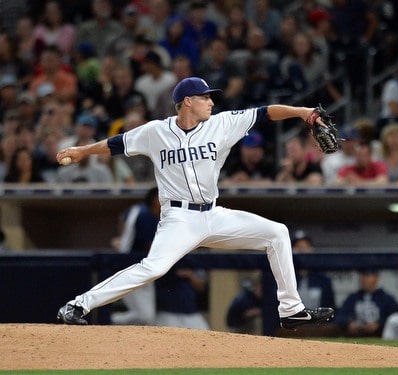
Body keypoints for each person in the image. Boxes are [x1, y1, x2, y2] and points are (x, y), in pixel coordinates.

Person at [55, 76, 335, 329]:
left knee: (277, 233)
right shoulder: (156, 131)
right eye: (205, 97)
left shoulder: (222, 124)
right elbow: (117, 143)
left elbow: (266, 112)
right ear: (188, 101)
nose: (211, 102)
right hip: (179, 219)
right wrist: (83, 151)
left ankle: (291, 310)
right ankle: (79, 304)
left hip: (213, 214)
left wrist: (303, 112)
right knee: (154, 268)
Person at [110, 187, 160, 326]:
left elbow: (122, 217)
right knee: (147, 318)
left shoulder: (137, 209)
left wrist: (122, 239)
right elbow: (150, 246)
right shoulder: (147, 215)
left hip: (136, 267)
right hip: (132, 268)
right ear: (155, 200)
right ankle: (109, 321)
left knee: (148, 317)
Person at [334, 269, 398, 337]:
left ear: (376, 278)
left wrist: (379, 324)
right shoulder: (353, 298)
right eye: (362, 276)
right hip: (356, 336)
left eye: (368, 276)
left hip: (378, 336)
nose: (364, 279)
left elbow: (396, 318)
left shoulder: (386, 299)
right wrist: (349, 323)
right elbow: (340, 317)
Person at [290, 230, 335, 310]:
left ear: (311, 249)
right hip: (292, 321)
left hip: (318, 321)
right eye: (298, 247)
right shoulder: (286, 278)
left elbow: (330, 308)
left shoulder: (323, 279)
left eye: (305, 247)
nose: (302, 250)